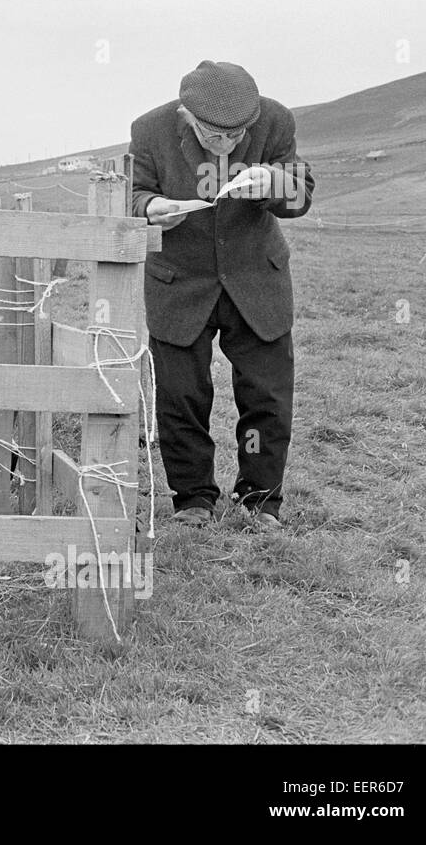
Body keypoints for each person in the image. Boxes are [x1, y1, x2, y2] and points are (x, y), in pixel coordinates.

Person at [131, 60, 314, 530]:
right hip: (179, 285)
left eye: (238, 136)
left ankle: (260, 502)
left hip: (257, 282)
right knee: (181, 397)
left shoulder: (275, 121)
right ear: (186, 117)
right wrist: (151, 208)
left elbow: (301, 195)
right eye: (216, 137)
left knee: (267, 398)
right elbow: (132, 194)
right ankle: (192, 499)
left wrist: (274, 183)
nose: (228, 145)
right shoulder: (149, 130)